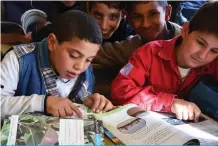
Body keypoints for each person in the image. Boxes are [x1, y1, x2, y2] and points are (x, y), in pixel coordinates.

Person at [111, 1, 218, 122]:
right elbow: (120, 91)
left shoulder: (213, 62)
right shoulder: (148, 53)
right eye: (200, 43)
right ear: (185, 30)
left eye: (214, 51)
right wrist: (171, 102)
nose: (203, 55)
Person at [1, 10, 113, 118]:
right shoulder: (19, 60)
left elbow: (75, 101)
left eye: (89, 60)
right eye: (74, 55)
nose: (80, 67)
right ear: (52, 42)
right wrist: (43, 103)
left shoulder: (86, 71)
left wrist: (87, 101)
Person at [92, 1, 181, 67]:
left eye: (153, 14)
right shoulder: (132, 47)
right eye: (137, 16)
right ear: (129, 19)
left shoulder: (187, 40)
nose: (146, 24)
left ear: (167, 13)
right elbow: (98, 52)